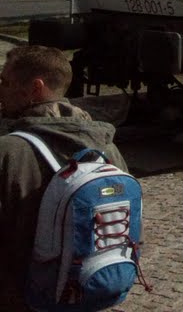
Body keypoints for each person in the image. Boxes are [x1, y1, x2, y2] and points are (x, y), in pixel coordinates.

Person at [0, 45, 128, 311]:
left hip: (22, 294)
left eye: (5, 82)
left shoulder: (9, 150)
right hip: (85, 287)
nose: (1, 90)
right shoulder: (105, 146)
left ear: (36, 88)